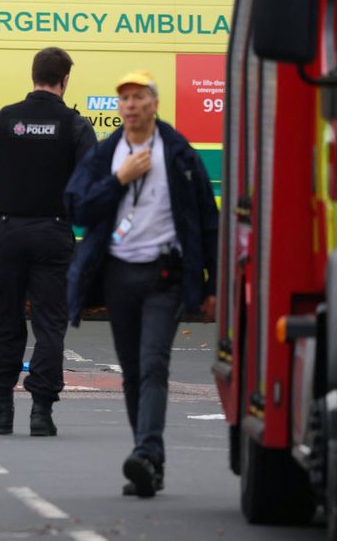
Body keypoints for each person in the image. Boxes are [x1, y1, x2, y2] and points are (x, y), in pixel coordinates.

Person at [64, 70, 218, 498]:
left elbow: (208, 221)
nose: (130, 105)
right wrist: (120, 180)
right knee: (132, 371)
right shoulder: (108, 154)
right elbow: (77, 206)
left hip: (164, 278)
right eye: (124, 98)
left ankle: (147, 454)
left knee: (153, 365)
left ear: (154, 104)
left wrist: (213, 286)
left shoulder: (180, 154)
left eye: (138, 97)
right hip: (118, 277)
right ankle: (149, 460)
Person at [0, 47, 97, 437]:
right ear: (65, 79)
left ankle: (2, 408)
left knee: (6, 320)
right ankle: (41, 412)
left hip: (7, 231)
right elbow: (91, 185)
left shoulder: (3, 120)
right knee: (50, 323)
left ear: (33, 75)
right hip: (54, 233)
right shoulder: (75, 125)